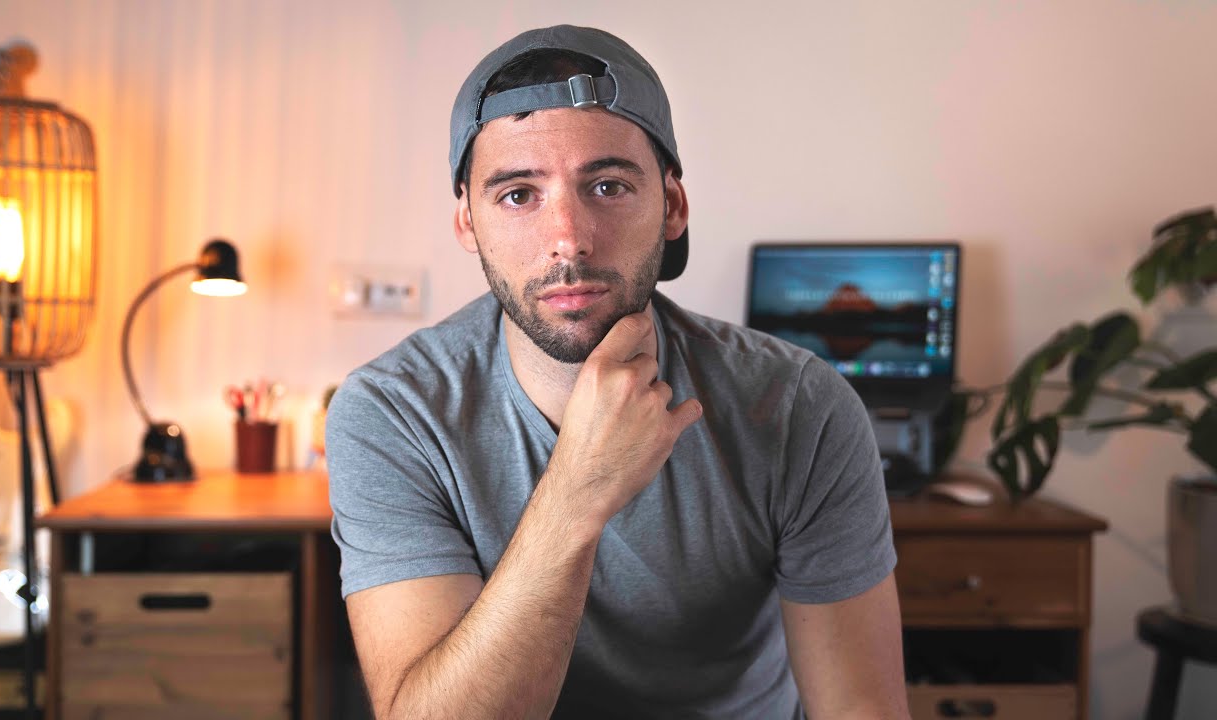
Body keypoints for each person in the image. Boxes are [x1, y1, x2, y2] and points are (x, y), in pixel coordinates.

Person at [327, 24, 909, 719]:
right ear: (468, 223)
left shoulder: (799, 406)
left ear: (673, 207)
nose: (568, 239)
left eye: (607, 186)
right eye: (518, 195)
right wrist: (580, 489)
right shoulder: (392, 413)